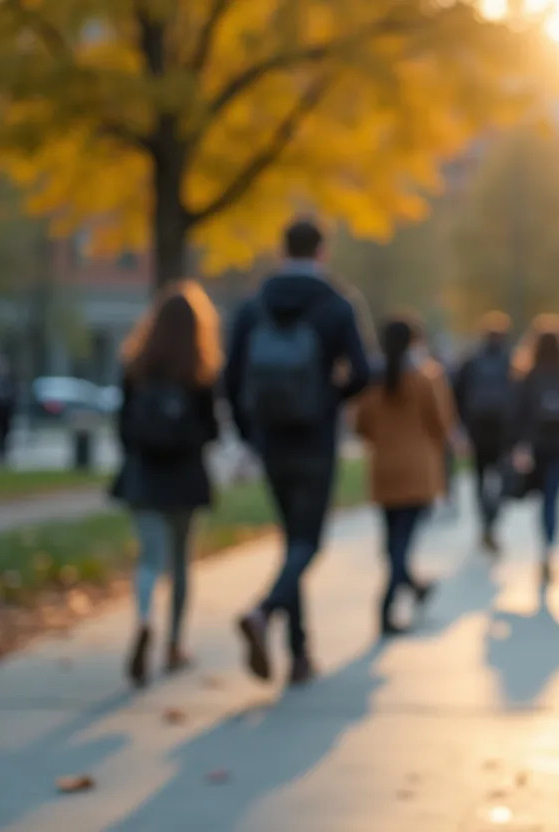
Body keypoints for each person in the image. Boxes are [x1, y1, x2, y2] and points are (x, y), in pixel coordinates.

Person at [225, 218, 370, 686]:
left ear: (281, 250)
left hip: (271, 440)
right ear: (322, 252)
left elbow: (230, 377)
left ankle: (300, 654)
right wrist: (330, 402)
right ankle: (265, 612)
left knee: (294, 541)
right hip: (315, 438)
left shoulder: (255, 305)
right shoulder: (336, 303)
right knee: (309, 542)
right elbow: (364, 372)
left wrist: (250, 434)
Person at [110, 281, 222, 687]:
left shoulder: (135, 365)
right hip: (185, 477)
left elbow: (121, 426)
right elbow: (212, 429)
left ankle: (143, 620)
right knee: (180, 564)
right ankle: (174, 645)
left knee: (149, 559)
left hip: (144, 476)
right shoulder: (199, 369)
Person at [354, 315, 454, 637]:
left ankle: (413, 587)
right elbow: (440, 423)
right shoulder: (426, 378)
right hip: (417, 470)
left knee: (393, 543)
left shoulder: (372, 381)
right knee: (401, 545)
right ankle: (386, 608)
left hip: (384, 469)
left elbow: (361, 426)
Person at [509, 315, 559, 583]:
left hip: (537, 445)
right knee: (553, 498)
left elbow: (518, 413)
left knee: (543, 498)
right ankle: (548, 550)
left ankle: (544, 547)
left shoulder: (528, 376)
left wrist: (518, 446)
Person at [454, 311, 515, 555]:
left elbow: (457, 394)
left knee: (479, 479)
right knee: (503, 480)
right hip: (503, 432)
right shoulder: (511, 362)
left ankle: (484, 523)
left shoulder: (471, 362)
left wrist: (462, 425)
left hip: (477, 430)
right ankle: (491, 521)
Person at [0, 356, 14, 465]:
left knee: (5, 433)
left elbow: (11, 396)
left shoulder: (7, 381)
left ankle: (3, 454)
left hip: (5, 412)